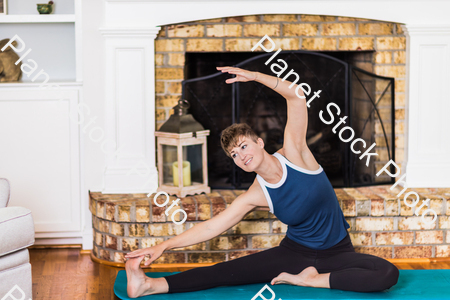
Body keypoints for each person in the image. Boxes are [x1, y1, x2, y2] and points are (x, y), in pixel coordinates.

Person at [124, 66, 400, 298]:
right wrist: (163, 246)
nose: (240, 156)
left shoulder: (295, 153)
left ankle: (311, 279)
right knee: (225, 272)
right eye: (234, 154)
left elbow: (296, 95)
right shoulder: (256, 194)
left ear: (260, 142)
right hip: (294, 254)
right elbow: (211, 227)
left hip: (338, 252)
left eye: (243, 146)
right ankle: (149, 285)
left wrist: (255, 76)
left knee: (387, 273)